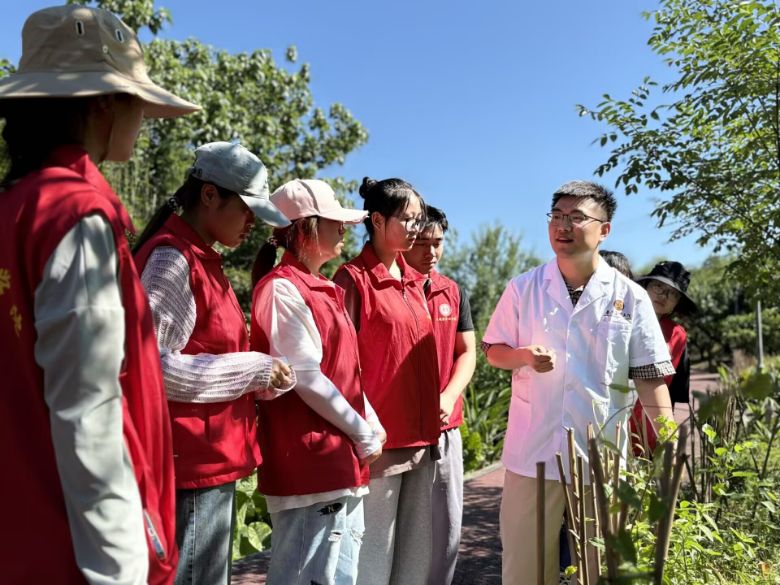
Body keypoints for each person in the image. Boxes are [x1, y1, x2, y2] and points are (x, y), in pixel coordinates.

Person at [0, 5, 199, 584]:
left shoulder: (17, 208)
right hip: (71, 552)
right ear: (104, 103)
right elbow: (88, 409)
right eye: (136, 101)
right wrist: (120, 569)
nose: (143, 118)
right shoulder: (75, 215)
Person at [482, 180, 675, 585]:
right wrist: (523, 356)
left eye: (576, 217)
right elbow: (494, 351)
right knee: (524, 569)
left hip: (602, 455)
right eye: (556, 216)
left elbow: (650, 379)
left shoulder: (631, 297)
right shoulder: (523, 288)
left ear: (604, 230)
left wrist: (668, 448)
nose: (562, 226)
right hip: (533, 453)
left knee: (600, 570)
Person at [133, 142, 295, 585]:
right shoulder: (173, 259)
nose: (251, 223)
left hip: (205, 463)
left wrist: (263, 378)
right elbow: (152, 367)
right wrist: (254, 369)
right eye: (247, 209)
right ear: (209, 195)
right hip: (187, 467)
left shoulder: (201, 258)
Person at [250, 178, 386, 584]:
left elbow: (342, 372)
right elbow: (305, 375)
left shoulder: (321, 287)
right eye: (333, 221)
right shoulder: (282, 288)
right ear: (306, 228)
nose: (343, 228)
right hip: (309, 463)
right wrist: (362, 430)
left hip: (339, 462)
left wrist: (369, 420)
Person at [333, 177, 441, 585]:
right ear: (377, 220)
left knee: (414, 563)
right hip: (380, 445)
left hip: (421, 439)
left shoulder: (414, 282)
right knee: (372, 563)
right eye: (408, 219)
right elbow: (340, 366)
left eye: (419, 219)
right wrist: (363, 430)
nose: (416, 228)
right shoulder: (352, 279)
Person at [401, 205, 476, 585]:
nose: (431, 252)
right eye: (422, 243)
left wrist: (449, 396)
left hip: (446, 428)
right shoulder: (387, 287)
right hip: (398, 433)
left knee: (447, 530)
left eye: (438, 243)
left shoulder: (453, 290)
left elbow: (468, 352)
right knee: (401, 535)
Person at [631, 260, 696, 453]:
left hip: (651, 426)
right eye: (658, 286)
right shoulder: (621, 320)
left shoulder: (678, 335)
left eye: (673, 293)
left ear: (677, 303)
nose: (664, 295)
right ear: (645, 286)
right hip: (613, 420)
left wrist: (667, 435)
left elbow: (674, 390)